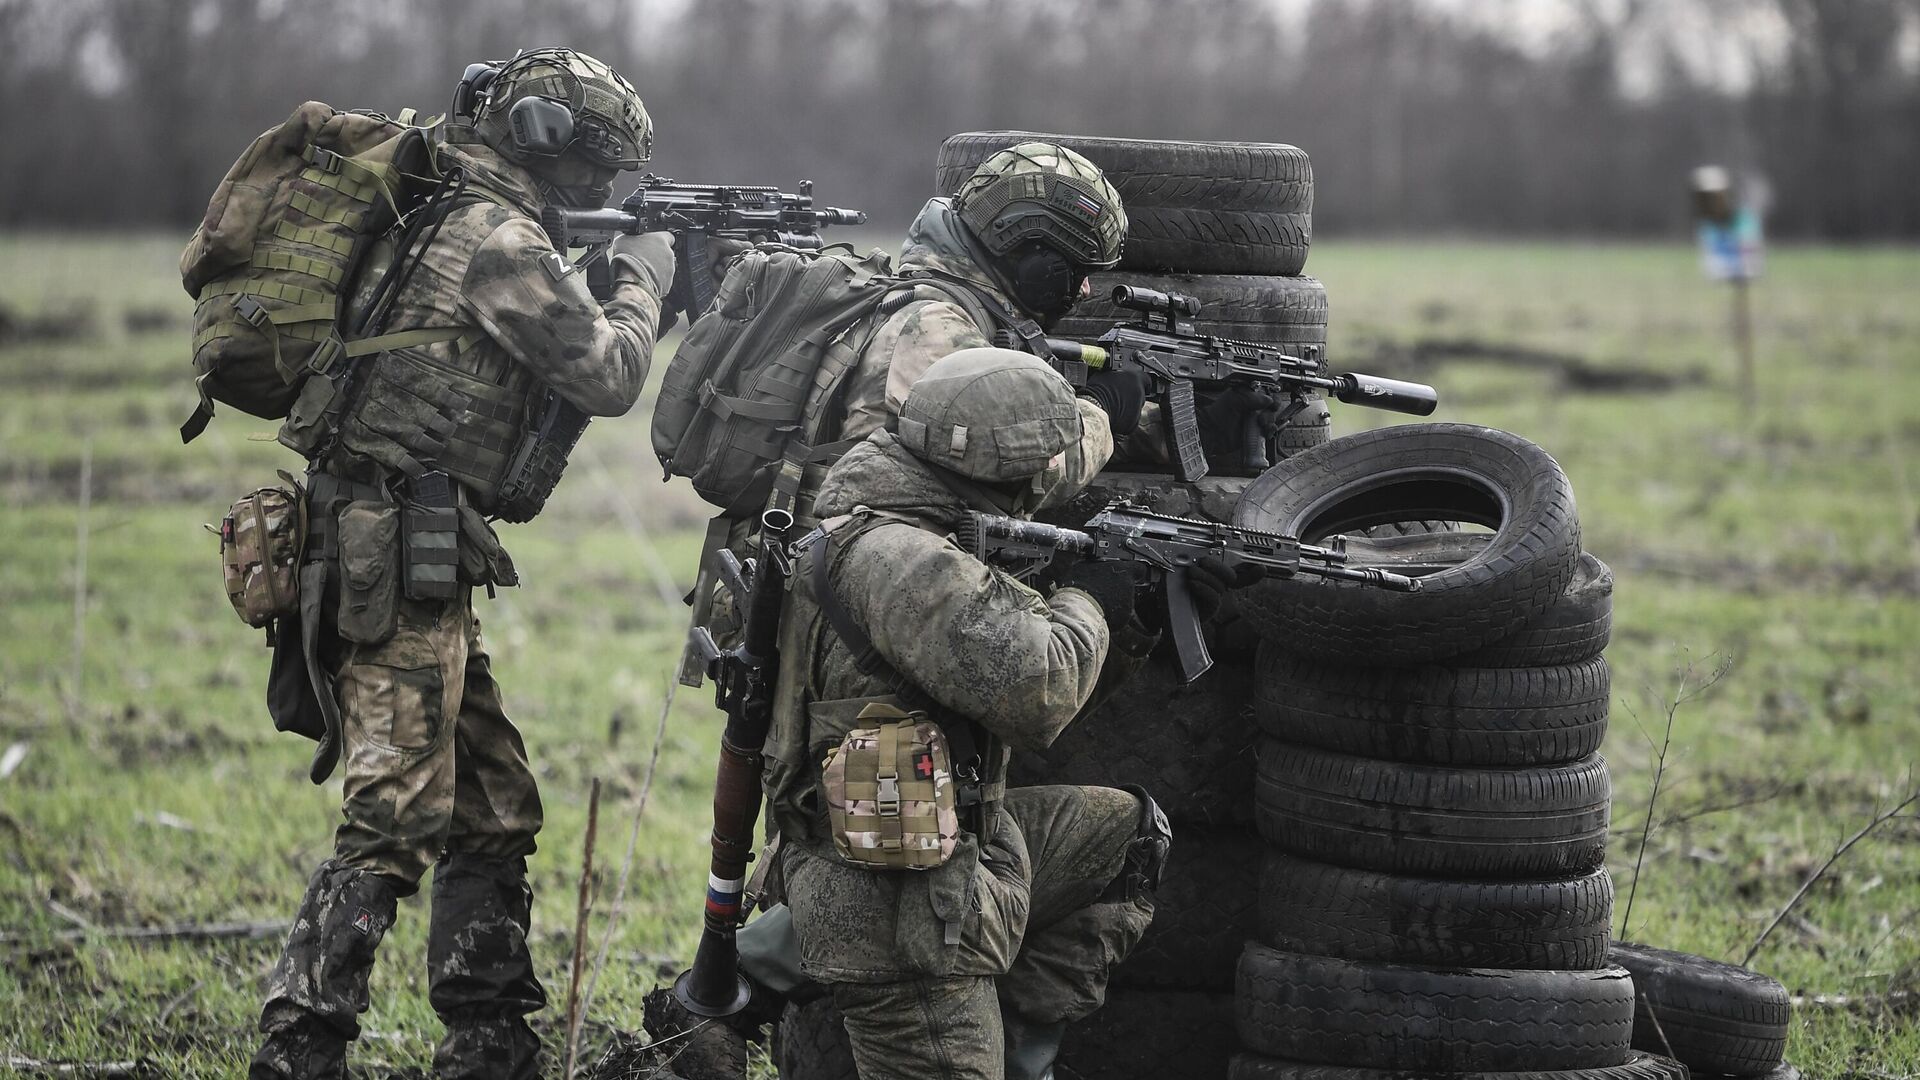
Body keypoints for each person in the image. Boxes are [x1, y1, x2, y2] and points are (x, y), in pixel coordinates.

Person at [248, 48, 675, 1080]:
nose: (598, 191)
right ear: (545, 144)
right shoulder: (495, 239)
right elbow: (609, 374)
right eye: (595, 170)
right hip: (387, 553)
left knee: (493, 804)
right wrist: (646, 283)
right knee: (392, 814)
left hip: (403, 549)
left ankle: (489, 1042)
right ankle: (298, 1047)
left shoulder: (449, 206)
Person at [763, 347, 1174, 1080]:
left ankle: (1017, 1053)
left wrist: (1135, 615)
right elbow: (1040, 693)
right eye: (1033, 473)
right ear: (995, 473)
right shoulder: (906, 561)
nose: (1043, 485)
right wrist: (1089, 598)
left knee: (1125, 837)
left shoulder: (891, 517)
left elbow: (1019, 699)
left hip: (950, 855)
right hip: (905, 919)